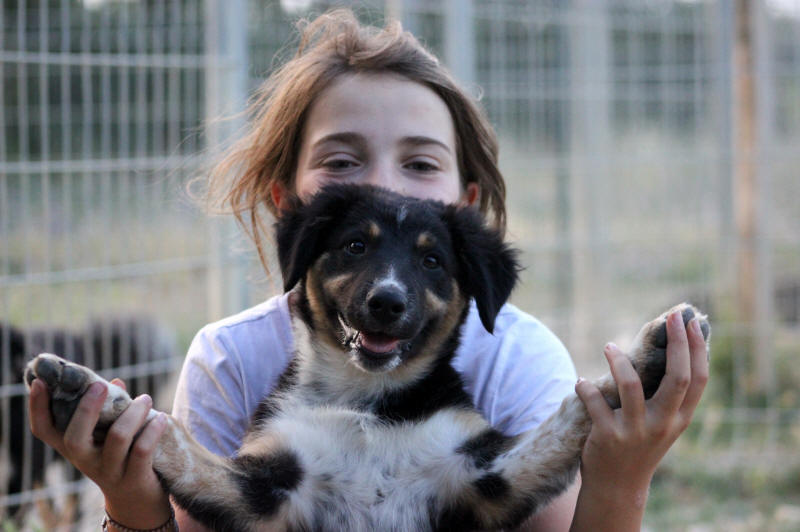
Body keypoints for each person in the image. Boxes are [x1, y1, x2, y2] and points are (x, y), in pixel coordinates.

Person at [28, 9, 709, 532]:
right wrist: (134, 472)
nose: (387, 290)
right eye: (356, 243)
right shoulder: (232, 362)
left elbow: (510, 486)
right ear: (295, 219)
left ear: (470, 252)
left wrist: (614, 459)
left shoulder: (515, 361)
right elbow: (233, 495)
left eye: (420, 163)